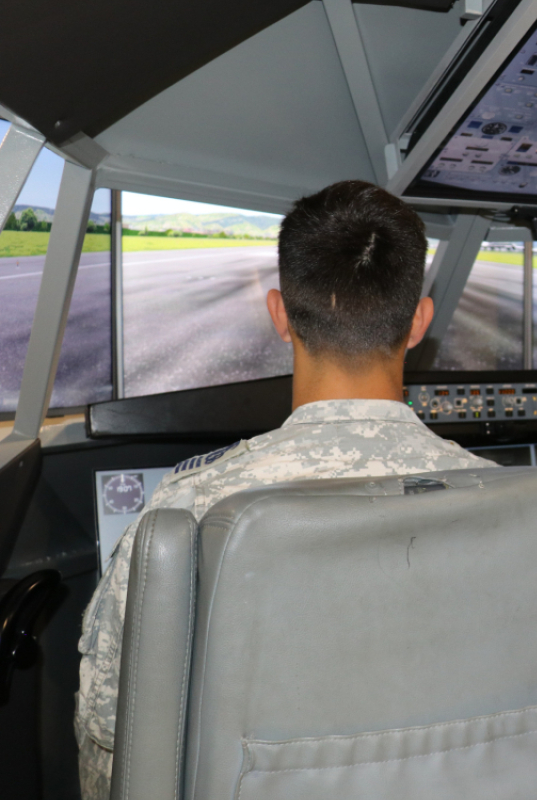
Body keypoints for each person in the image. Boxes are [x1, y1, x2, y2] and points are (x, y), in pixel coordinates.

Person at [75, 180, 497, 798]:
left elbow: (113, 726)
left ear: (279, 315)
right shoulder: (514, 500)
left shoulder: (189, 510)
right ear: (419, 324)